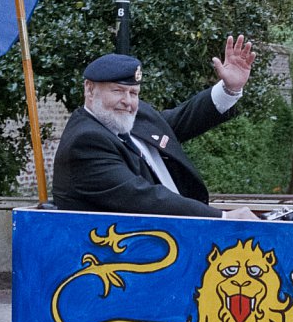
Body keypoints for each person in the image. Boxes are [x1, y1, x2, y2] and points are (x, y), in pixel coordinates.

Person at [52, 36, 260, 220]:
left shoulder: (129, 116)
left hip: (173, 232)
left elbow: (180, 120)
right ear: (90, 90)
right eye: (118, 91)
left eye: (133, 93)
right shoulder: (86, 141)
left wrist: (229, 89)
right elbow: (144, 198)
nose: (128, 102)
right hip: (127, 245)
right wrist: (223, 218)